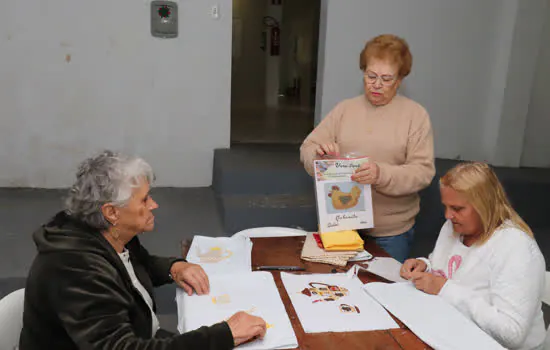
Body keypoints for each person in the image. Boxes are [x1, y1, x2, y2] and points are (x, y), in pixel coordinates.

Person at [19, 151, 267, 350]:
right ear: (112, 212)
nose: (154, 205)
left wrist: (173, 268)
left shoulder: (106, 233)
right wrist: (224, 336)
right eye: (145, 199)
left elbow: (137, 264)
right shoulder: (77, 270)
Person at [300, 34, 435, 262]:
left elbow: (422, 172)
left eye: (386, 78)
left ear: (400, 79)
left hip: (391, 232)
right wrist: (320, 156)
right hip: (341, 224)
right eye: (370, 76)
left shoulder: (415, 116)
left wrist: (380, 174)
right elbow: (307, 148)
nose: (376, 85)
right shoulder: (345, 109)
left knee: (382, 290)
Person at [401, 162, 546, 349]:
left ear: (484, 205)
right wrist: (425, 266)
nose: (447, 215)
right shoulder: (455, 226)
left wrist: (444, 289)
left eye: (457, 208)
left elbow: (512, 334)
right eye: (445, 206)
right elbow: (448, 268)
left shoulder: (517, 248)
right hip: (455, 332)